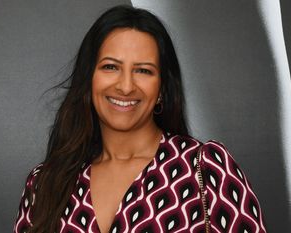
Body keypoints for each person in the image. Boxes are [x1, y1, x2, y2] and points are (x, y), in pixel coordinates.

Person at [14, 5, 266, 233]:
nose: (125, 86)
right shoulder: (45, 184)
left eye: (143, 70)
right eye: (111, 67)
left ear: (162, 89)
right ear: (88, 79)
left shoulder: (204, 167)